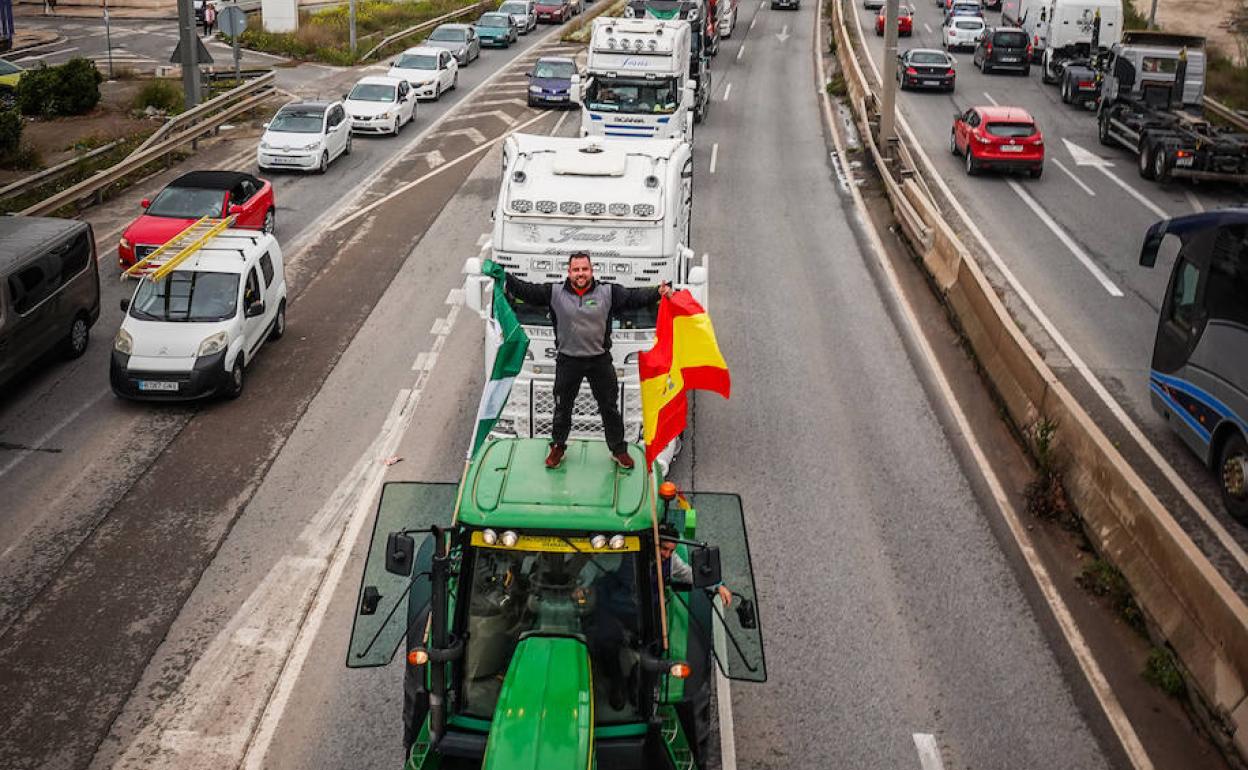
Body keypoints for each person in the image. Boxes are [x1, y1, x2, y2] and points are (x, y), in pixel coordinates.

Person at [487, 252, 671, 470]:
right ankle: (557, 447)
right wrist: (505, 275)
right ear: (569, 272)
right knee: (562, 408)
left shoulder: (608, 292)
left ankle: (619, 451)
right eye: (576, 270)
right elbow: (527, 291)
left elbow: (634, 297)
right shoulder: (554, 292)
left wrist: (658, 292)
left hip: (599, 361)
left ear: (592, 271)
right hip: (568, 361)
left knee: (609, 408)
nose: (580, 274)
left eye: (584, 269)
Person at [658, 523, 732, 608]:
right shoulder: (640, 557)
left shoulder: (671, 560)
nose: (667, 555)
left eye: (671, 551)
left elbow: (690, 575)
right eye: (664, 549)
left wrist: (718, 586)